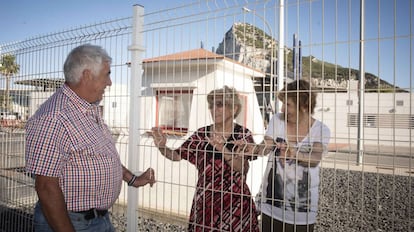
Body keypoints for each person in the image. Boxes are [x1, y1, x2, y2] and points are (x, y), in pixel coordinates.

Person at [25, 44, 156, 232]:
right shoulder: (54, 117)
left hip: (97, 220)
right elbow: (46, 186)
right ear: (87, 75)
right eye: (107, 74)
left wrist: (133, 179)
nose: (109, 82)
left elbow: (101, 156)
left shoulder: (88, 108)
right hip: (70, 222)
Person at [151, 86, 259, 232]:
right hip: (206, 206)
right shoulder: (201, 134)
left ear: (234, 109)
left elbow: (242, 168)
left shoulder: (243, 135)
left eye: (219, 104)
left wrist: (222, 148)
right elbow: (177, 155)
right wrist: (162, 147)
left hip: (236, 207)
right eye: (211, 105)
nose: (214, 109)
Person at [248, 79, 330, 232]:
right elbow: (267, 144)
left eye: (288, 104)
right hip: (271, 205)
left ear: (304, 106)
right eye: (283, 103)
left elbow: (315, 159)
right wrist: (251, 148)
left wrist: (294, 152)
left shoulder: (321, 130)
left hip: (302, 211)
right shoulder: (277, 120)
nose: (283, 108)